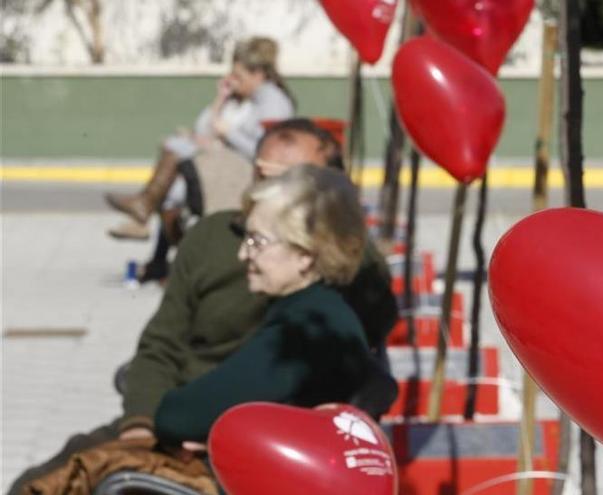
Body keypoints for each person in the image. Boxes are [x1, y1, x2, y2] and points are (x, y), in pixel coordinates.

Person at [6, 119, 398, 494]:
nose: (246, 252)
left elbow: (208, 406)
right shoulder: (214, 241)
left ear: (308, 245)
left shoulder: (313, 315)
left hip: (226, 448)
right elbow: (160, 345)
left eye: (293, 182)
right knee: (50, 473)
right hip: (179, 424)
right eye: (265, 174)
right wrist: (140, 424)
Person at [154, 165, 372, 446]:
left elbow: (178, 417)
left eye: (256, 241)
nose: (243, 253)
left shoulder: (303, 331)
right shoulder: (322, 310)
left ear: (305, 254)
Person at [105, 36, 295, 241]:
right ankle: (149, 226)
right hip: (223, 165)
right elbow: (204, 127)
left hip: (241, 173)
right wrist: (221, 99)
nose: (233, 81)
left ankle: (145, 211)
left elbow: (263, 151)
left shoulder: (272, 103)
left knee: (176, 159)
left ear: (257, 75)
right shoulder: (248, 100)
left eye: (239, 77)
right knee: (174, 184)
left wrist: (227, 134)